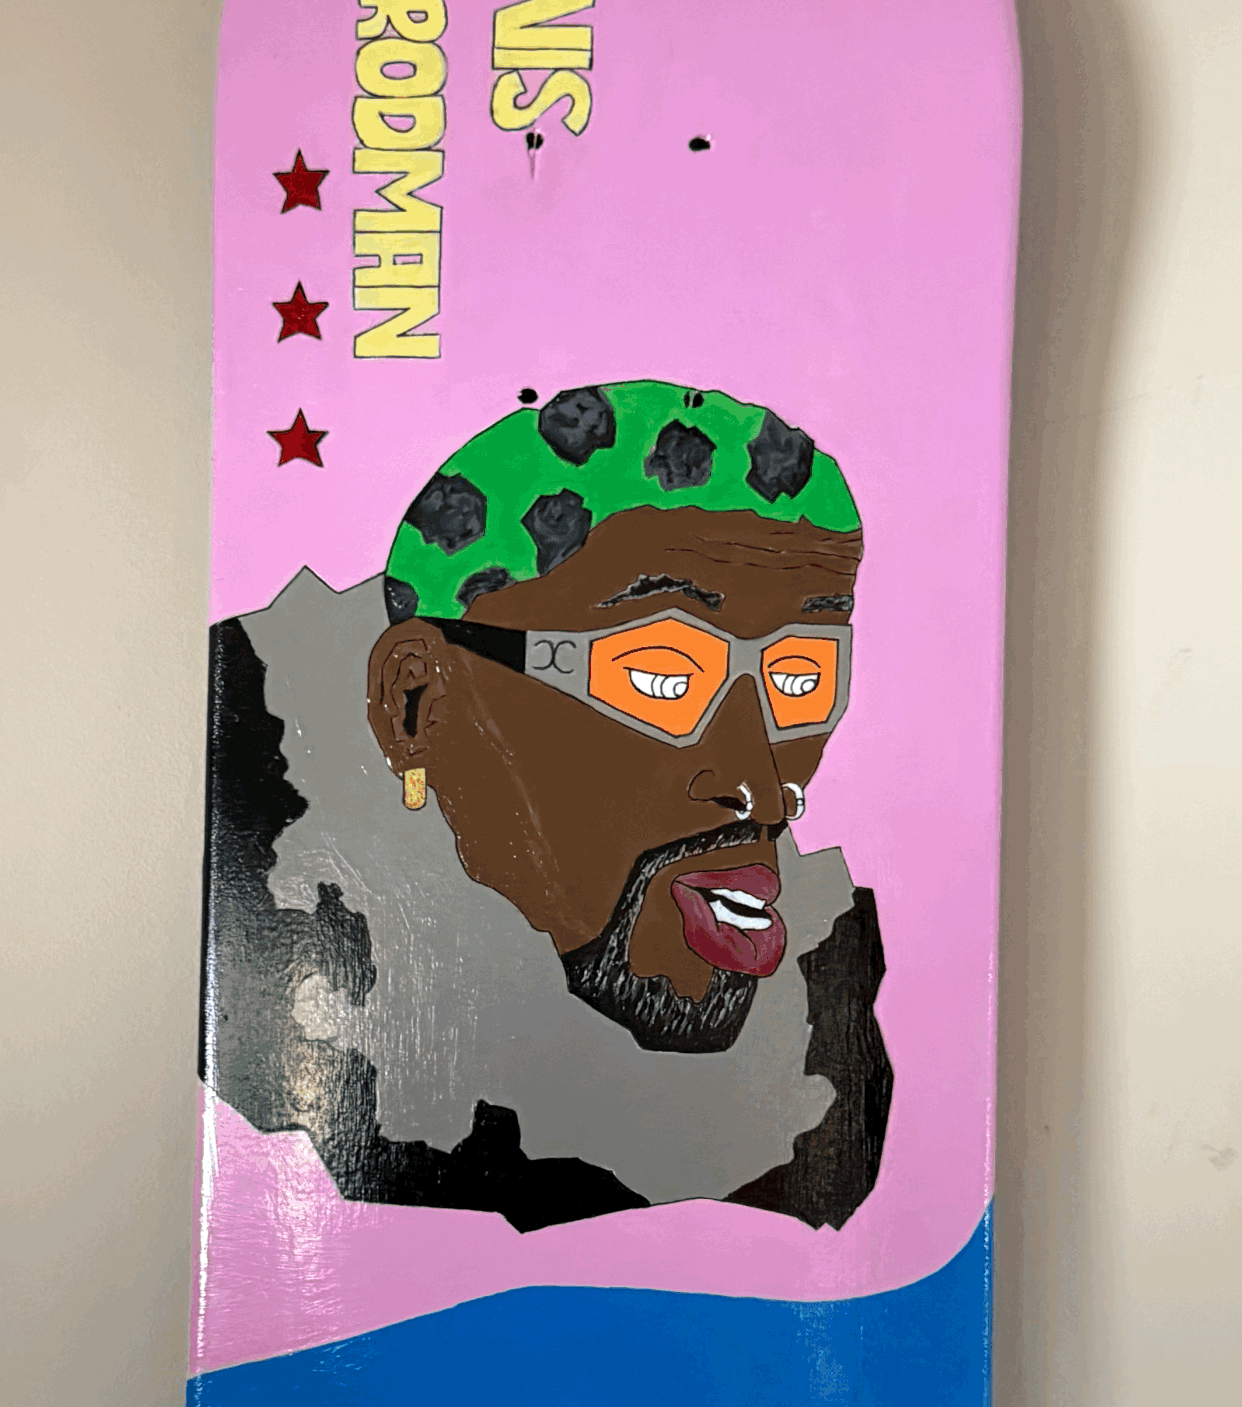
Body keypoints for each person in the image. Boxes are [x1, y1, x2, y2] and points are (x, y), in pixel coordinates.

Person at [202, 380, 892, 1231]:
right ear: (417, 703)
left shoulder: (839, 1026)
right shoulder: (258, 1043)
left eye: (801, 681)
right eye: (662, 676)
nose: (761, 783)